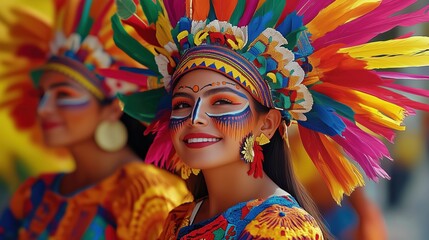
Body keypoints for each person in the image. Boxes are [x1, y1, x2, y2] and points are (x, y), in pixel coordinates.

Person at [109, 0, 429, 239]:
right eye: (182, 104)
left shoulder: (283, 229)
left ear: (268, 124)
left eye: (221, 101)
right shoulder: (180, 218)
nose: (195, 117)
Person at [0, 0, 190, 239]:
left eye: (64, 94)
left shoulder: (147, 193)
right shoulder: (33, 194)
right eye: (42, 95)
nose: (43, 108)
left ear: (111, 108)